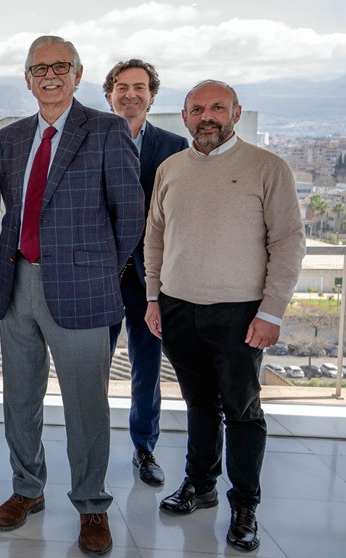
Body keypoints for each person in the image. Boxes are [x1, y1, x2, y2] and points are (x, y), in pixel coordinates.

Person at [0, 36, 143, 554]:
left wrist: (99, 269)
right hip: (17, 286)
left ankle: (92, 504)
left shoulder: (105, 130)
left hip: (82, 289)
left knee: (85, 406)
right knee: (20, 400)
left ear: (78, 75)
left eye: (61, 66)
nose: (49, 75)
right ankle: (27, 489)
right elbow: (12, 211)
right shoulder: (9, 139)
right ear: (27, 78)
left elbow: (130, 216)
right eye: (39, 68)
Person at [145, 80, 305, 552]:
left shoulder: (267, 167)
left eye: (218, 107)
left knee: (242, 411)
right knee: (199, 406)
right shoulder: (170, 168)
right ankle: (201, 484)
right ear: (185, 115)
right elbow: (155, 235)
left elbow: (288, 242)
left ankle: (246, 505)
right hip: (177, 307)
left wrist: (272, 311)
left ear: (236, 112)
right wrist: (154, 297)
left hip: (241, 313)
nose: (207, 116)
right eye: (198, 109)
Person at [102, 59, 189, 487]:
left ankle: (145, 447)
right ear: (108, 94)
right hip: (97, 276)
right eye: (122, 87)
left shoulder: (175, 146)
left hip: (152, 279)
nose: (130, 94)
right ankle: (92, 446)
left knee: (146, 366)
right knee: (93, 366)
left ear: (152, 95)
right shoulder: (88, 138)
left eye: (139, 87)